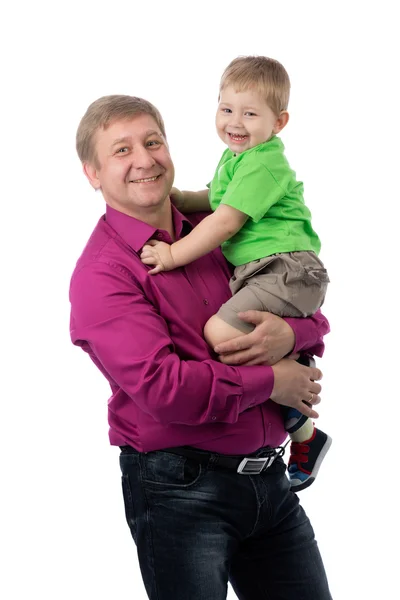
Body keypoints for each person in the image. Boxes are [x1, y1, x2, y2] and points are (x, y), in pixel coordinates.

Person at [69, 94, 332, 599]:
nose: (144, 159)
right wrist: (275, 379)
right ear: (93, 173)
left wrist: (290, 335)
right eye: (121, 151)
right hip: (180, 493)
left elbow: (303, 299)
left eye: (153, 142)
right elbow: (166, 389)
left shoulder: (219, 235)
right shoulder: (103, 274)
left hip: (271, 484)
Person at [140, 55, 331, 492]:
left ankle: (296, 388)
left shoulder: (264, 162)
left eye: (250, 113)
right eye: (226, 109)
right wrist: (181, 198)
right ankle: (305, 430)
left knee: (220, 333)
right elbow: (215, 198)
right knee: (234, 337)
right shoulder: (235, 159)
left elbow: (225, 220)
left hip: (287, 268)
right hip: (263, 271)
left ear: (279, 122)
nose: (235, 122)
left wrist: (172, 256)